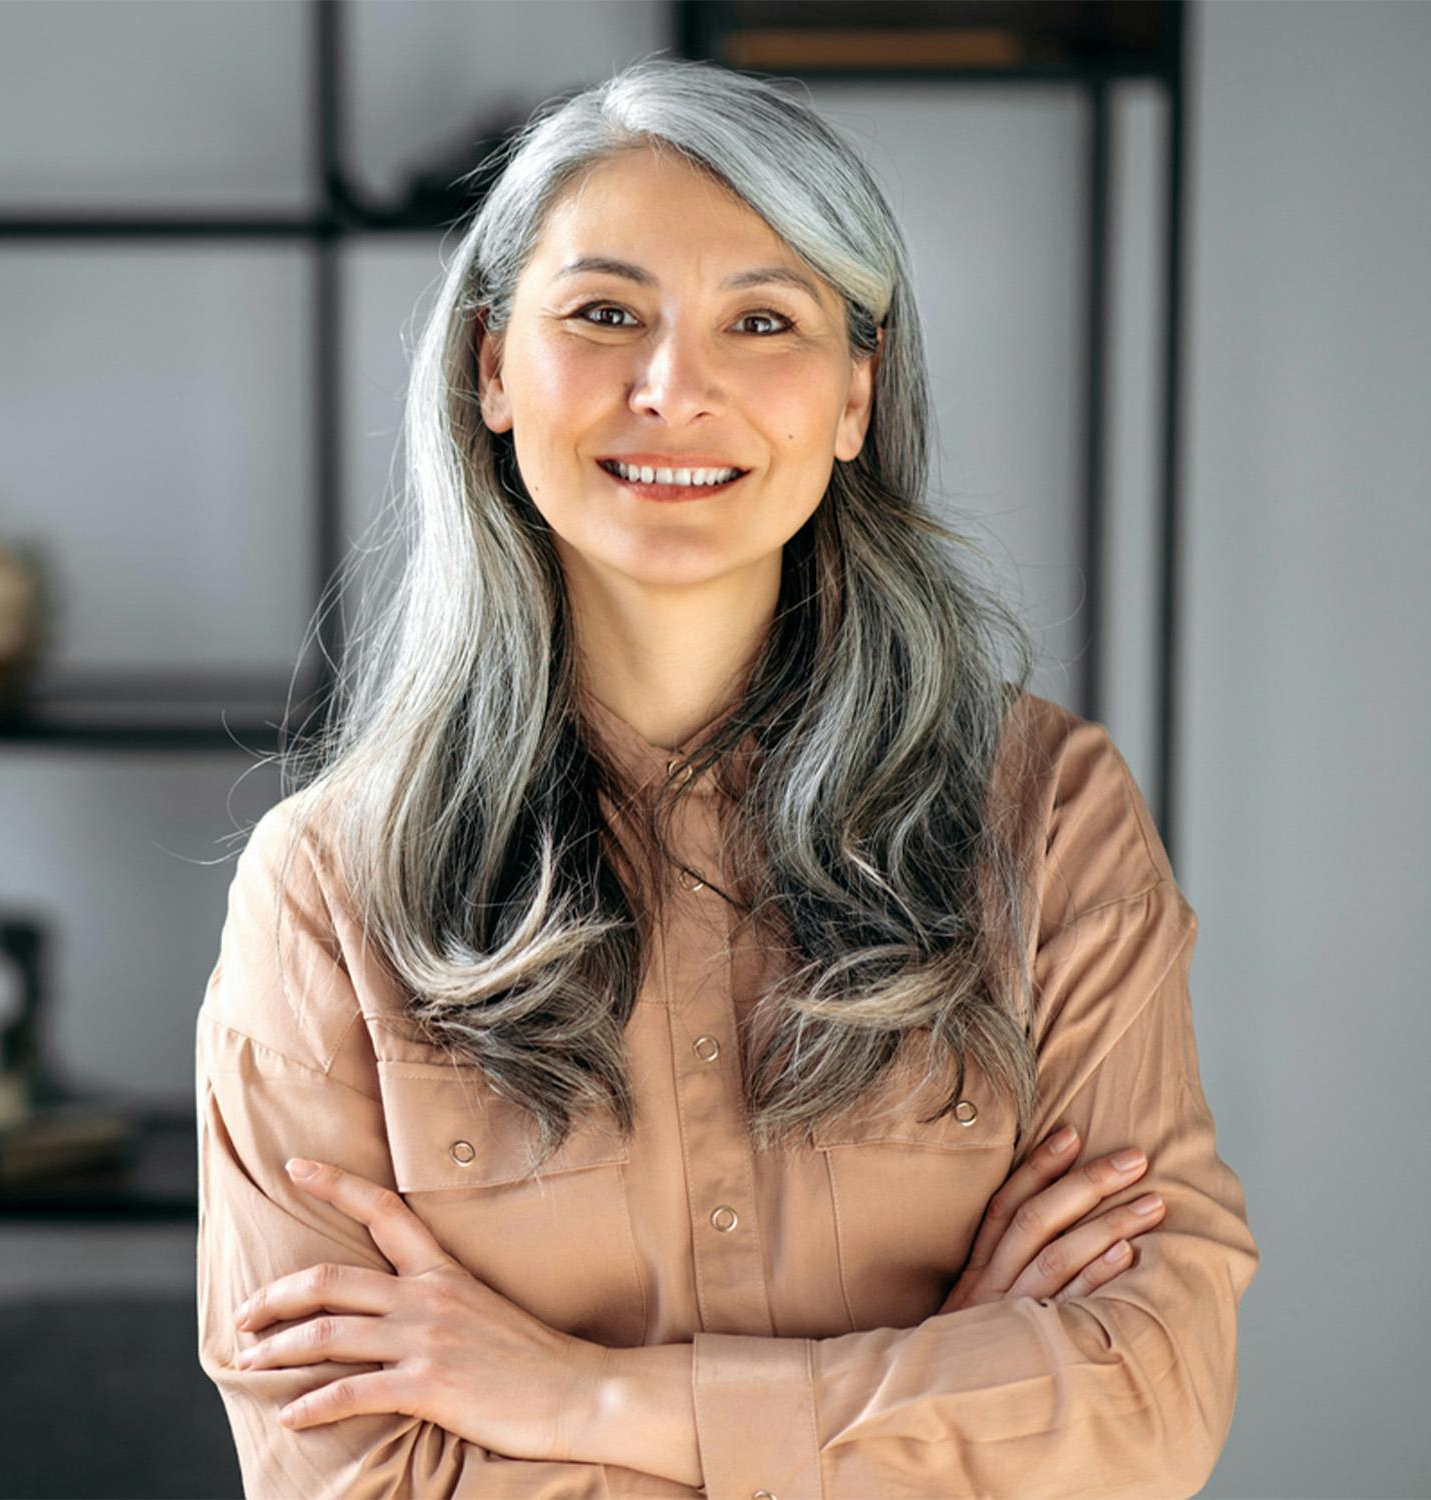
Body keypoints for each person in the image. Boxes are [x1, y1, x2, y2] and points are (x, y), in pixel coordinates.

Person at [195, 55, 1259, 1499]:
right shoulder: (329, 891)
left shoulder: (1047, 816)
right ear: (491, 369)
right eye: (604, 313)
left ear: (850, 396)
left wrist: (578, 1398)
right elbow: (355, 1477)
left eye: (761, 319)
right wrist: (958, 1380)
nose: (672, 386)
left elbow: (1149, 1407)